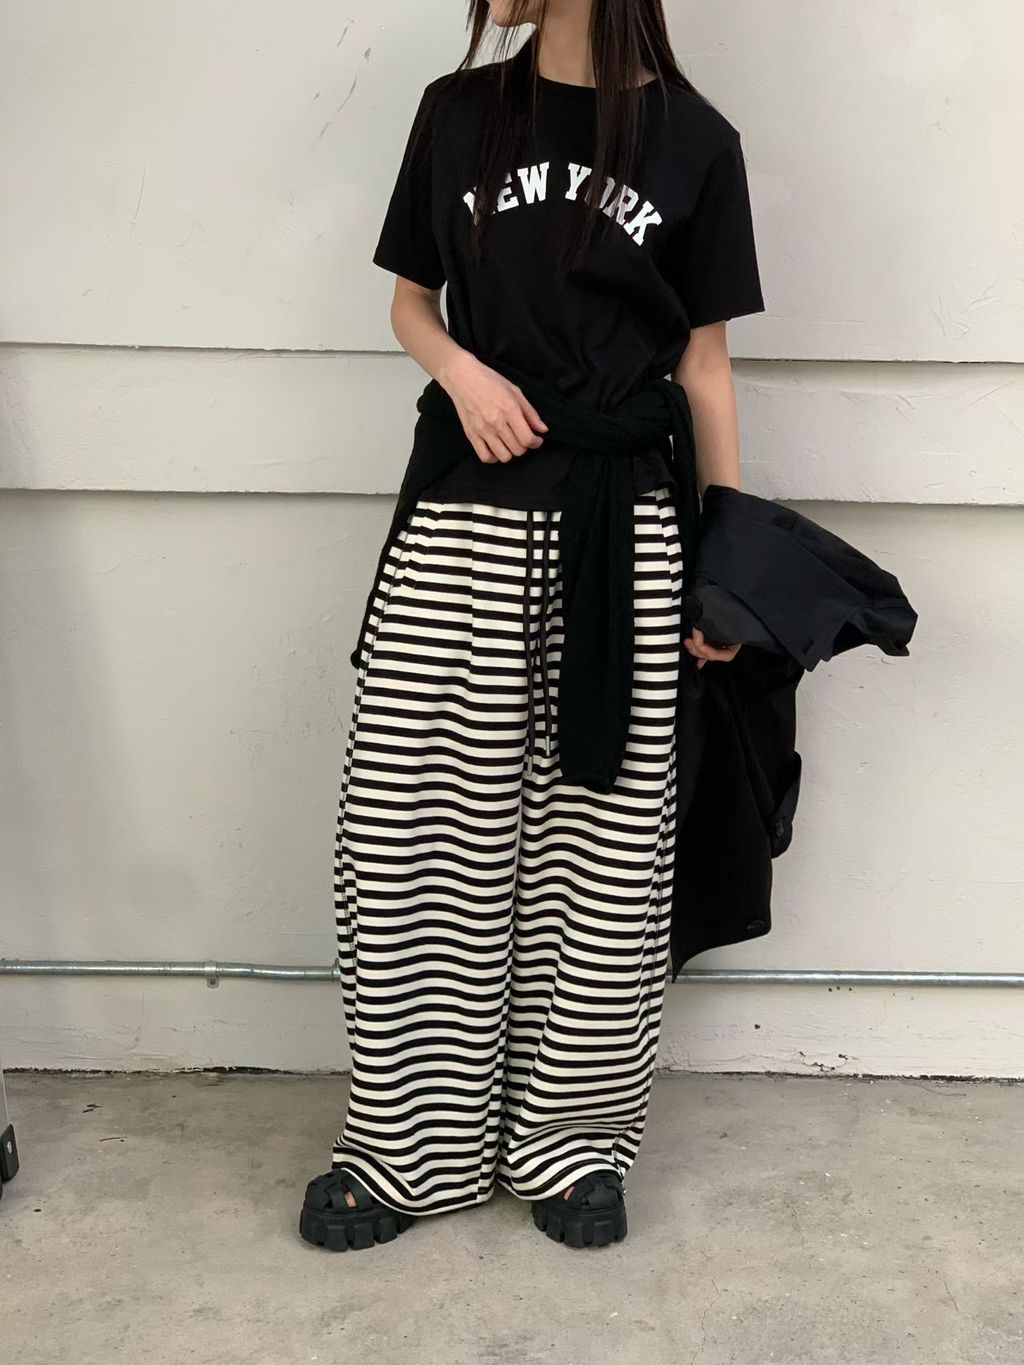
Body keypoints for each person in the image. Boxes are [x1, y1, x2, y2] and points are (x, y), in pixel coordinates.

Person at [299, 0, 765, 1253]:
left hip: (627, 528)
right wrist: (463, 372)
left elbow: (705, 364)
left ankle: (569, 1145)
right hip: (464, 517)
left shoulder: (697, 142)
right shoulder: (459, 114)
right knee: (409, 831)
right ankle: (411, 1148)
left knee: (601, 852)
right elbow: (413, 304)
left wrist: (723, 561)